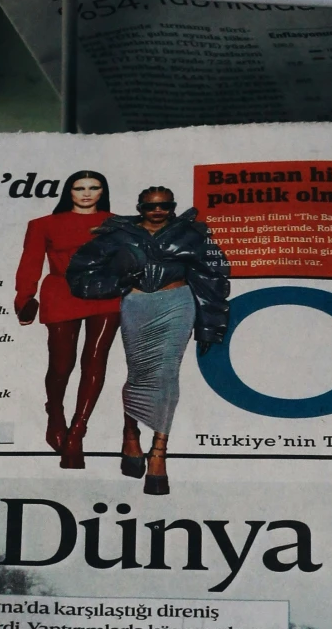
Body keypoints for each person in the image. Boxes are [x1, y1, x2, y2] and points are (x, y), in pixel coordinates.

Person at [67, 186, 230, 494]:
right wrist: (115, 283)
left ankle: (159, 451)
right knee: (140, 374)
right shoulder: (117, 235)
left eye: (166, 205)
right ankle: (130, 432)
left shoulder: (192, 235)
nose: (159, 211)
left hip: (177, 303)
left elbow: (213, 278)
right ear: (140, 207)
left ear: (173, 206)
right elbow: (80, 272)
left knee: (167, 373)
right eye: (152, 206)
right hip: (137, 305)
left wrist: (211, 325)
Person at [13, 170, 119, 470]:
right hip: (61, 291)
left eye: (94, 187)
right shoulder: (44, 224)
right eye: (79, 187)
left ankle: (77, 432)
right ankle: (55, 412)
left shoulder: (119, 224)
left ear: (103, 190)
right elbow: (30, 262)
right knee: (61, 364)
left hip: (106, 294)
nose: (86, 193)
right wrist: (24, 300)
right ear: (68, 191)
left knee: (96, 361)